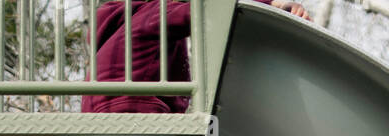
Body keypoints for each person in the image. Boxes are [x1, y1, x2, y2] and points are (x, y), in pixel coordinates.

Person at [81, 0, 313, 114]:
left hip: (97, 110)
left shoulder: (123, 28)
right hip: (133, 106)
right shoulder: (155, 14)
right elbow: (209, 9)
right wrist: (272, 4)